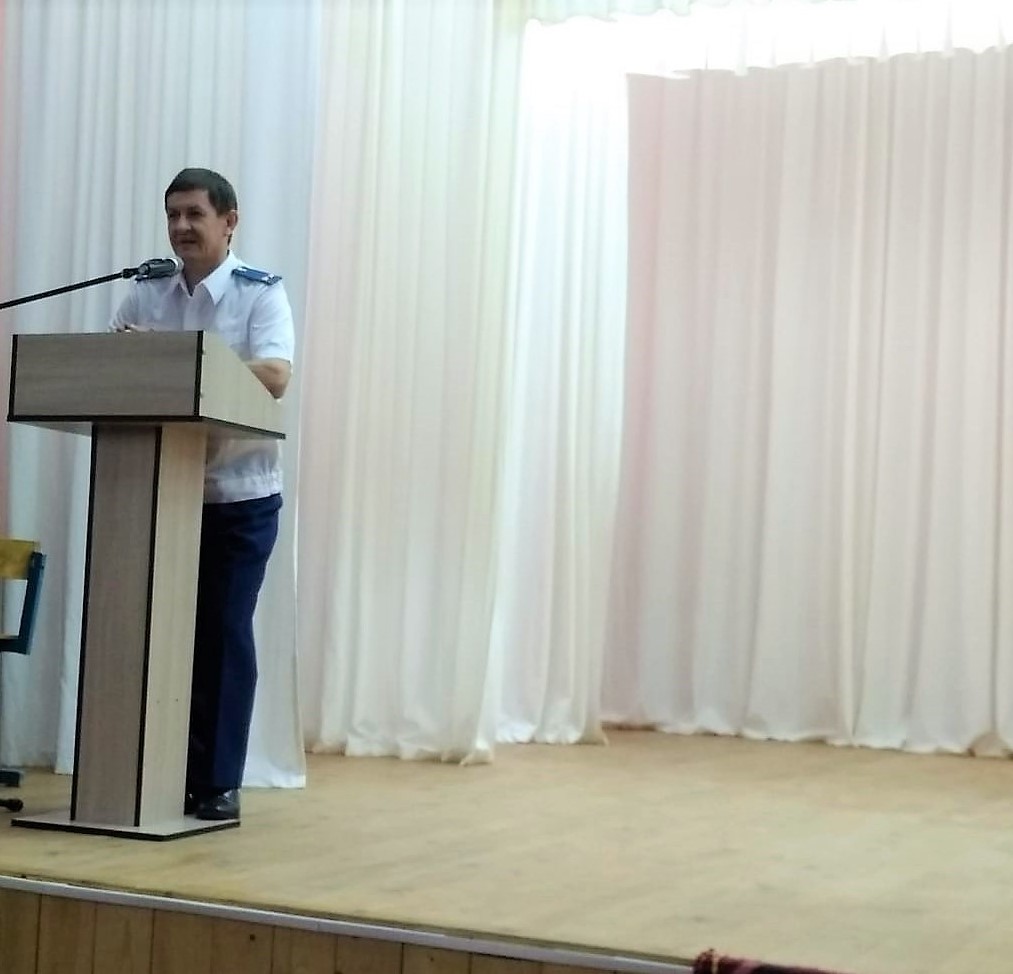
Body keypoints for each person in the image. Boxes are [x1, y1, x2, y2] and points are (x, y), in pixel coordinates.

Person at [110, 168, 295, 821]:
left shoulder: (259, 293)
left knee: (220, 632)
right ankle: (153, 771)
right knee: (153, 631)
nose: (182, 227)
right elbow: (109, 371)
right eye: (173, 215)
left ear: (229, 221)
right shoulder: (146, 292)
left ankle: (216, 781)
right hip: (158, 488)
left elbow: (275, 374)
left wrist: (178, 356)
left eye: (194, 214)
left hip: (237, 496)